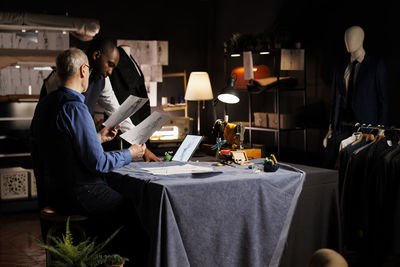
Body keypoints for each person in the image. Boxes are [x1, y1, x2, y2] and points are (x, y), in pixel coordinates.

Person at [30, 47, 146, 215]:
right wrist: (130, 153)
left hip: (52, 193)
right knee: (137, 205)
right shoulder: (76, 108)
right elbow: (99, 163)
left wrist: (97, 138)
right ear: (84, 70)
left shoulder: (44, 104)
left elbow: (60, 146)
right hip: (79, 193)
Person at [40, 37, 160, 162]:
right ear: (96, 55)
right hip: (53, 152)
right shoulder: (63, 79)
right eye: (110, 65)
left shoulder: (102, 80)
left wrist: (144, 150)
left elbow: (118, 113)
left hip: (75, 153)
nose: (111, 72)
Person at [322, 25, 389, 168]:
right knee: (336, 164)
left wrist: (381, 129)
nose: (348, 41)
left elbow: (384, 101)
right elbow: (335, 101)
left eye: (352, 37)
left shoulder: (376, 66)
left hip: (367, 129)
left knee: (359, 165)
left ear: (361, 39)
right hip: (343, 127)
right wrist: (330, 129)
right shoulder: (341, 68)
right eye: (346, 38)